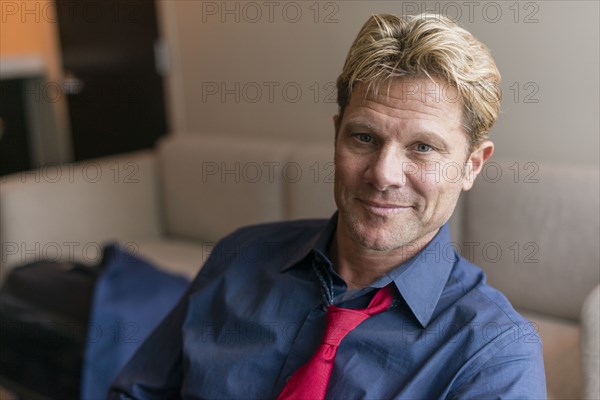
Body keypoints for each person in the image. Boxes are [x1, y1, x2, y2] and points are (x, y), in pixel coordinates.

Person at [109, 13, 546, 399]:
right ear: (337, 134)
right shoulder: (238, 257)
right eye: (364, 138)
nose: (383, 174)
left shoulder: (496, 353)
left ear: (471, 166)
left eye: (423, 148)